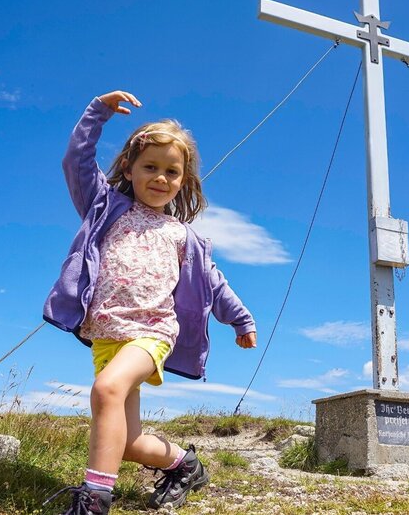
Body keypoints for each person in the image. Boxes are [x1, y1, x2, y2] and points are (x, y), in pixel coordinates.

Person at [41, 90, 258, 514]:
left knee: (106, 389)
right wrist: (97, 112)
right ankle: (185, 464)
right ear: (129, 167)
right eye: (151, 167)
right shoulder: (104, 207)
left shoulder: (184, 236)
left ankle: (93, 502)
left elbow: (214, 284)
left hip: (153, 332)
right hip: (107, 336)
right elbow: (77, 161)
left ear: (184, 180)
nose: (161, 178)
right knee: (124, 441)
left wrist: (241, 320)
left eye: (172, 171)